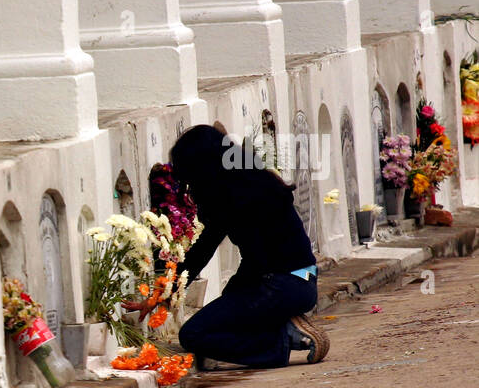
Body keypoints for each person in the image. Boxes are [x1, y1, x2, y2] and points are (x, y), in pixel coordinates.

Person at [125, 124, 330, 369]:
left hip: (282, 285)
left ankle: (281, 340)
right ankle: (281, 326)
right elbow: (219, 251)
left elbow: (218, 252)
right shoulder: (253, 179)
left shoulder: (233, 198)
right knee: (229, 308)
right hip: (302, 279)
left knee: (194, 334)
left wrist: (163, 295)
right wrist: (167, 293)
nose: (190, 187)